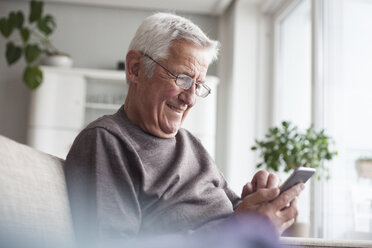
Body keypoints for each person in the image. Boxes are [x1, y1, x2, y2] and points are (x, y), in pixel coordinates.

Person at [65, 12, 304, 244]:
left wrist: (258, 204)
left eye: (198, 85)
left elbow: (232, 212)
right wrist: (239, 228)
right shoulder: (107, 142)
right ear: (135, 68)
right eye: (182, 78)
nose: (190, 99)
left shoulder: (190, 143)